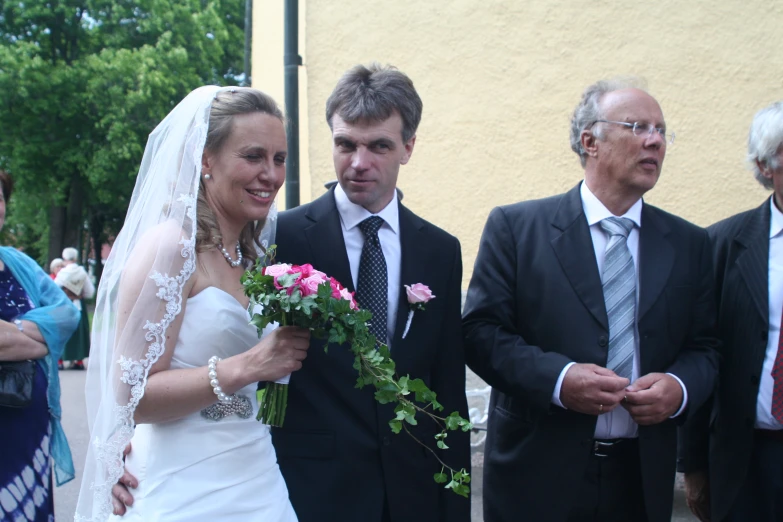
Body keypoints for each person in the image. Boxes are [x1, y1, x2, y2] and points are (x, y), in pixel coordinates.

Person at [462, 79, 720, 522]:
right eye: (637, 126)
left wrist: (678, 389)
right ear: (590, 142)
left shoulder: (690, 243)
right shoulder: (518, 228)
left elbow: (708, 347)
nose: (655, 140)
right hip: (538, 475)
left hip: (640, 480)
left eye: (661, 130)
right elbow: (481, 334)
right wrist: (559, 380)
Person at [74, 86, 310, 521]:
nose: (271, 175)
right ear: (205, 159)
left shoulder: (258, 257)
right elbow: (133, 396)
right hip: (182, 488)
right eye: (253, 156)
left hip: (258, 478)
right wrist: (248, 366)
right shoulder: (171, 248)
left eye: (279, 159)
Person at [271, 63, 470, 522]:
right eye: (346, 144)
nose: (358, 163)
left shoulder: (440, 250)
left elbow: (446, 386)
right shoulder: (285, 236)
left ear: (408, 147)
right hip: (311, 487)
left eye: (379, 145)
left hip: (413, 488)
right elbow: (266, 377)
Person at [680, 101, 783, 522]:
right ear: (765, 165)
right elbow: (699, 351)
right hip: (746, 460)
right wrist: (694, 465)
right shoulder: (722, 245)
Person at [0, 170, 80, 521]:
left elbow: (66, 315)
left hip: (27, 429)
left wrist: (12, 331)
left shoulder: (18, 263)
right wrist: (37, 337)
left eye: (0, 197)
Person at [59, 247, 95, 370]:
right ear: (75, 258)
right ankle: (79, 360)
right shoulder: (82, 273)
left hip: (64, 305)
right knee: (79, 331)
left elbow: (54, 288)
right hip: (78, 304)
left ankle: (62, 359)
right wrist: (80, 294)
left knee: (63, 330)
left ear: (65, 258)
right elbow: (90, 292)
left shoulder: (62, 273)